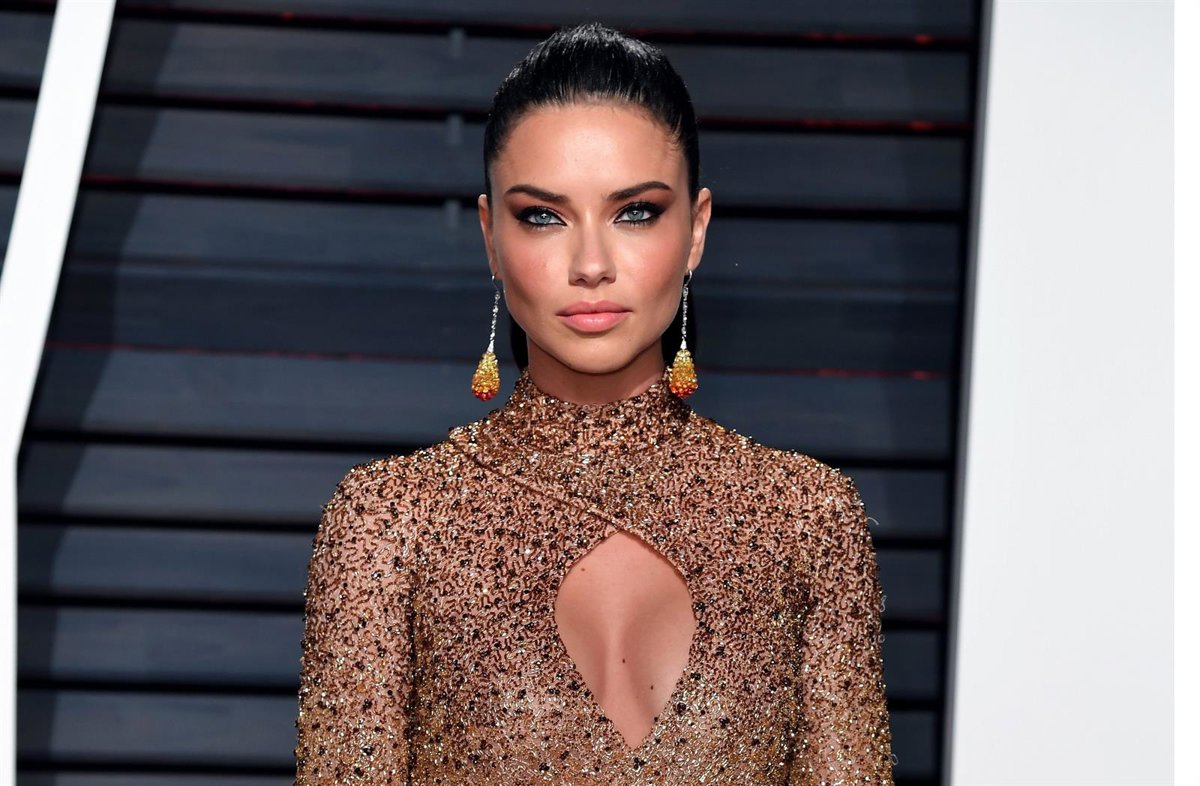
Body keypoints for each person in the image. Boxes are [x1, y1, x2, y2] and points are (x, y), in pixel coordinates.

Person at [293, 22, 893, 785]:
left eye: (634, 211)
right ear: (490, 236)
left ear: (696, 229)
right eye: (543, 216)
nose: (591, 264)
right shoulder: (390, 522)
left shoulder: (806, 519)